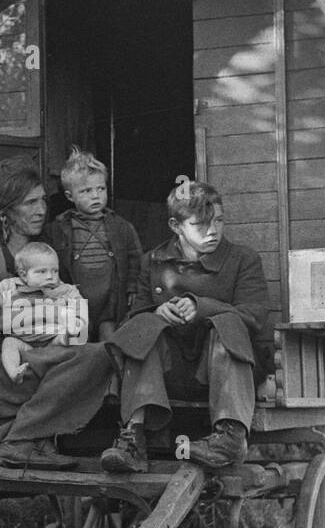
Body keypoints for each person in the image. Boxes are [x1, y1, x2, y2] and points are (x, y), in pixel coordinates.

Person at [0, 159, 114, 469]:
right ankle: (21, 443)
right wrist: (44, 317)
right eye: (30, 202)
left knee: (98, 355)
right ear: (4, 211)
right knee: (91, 358)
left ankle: (30, 439)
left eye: (42, 200)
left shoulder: (44, 257)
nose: (41, 210)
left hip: (30, 358)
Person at [101, 180, 270, 473]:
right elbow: (131, 322)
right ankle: (133, 437)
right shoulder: (152, 262)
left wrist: (202, 307)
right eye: (200, 224)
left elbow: (254, 317)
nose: (213, 231)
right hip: (168, 375)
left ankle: (229, 436)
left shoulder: (243, 259)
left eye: (218, 221)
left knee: (226, 322)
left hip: (229, 372)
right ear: (176, 226)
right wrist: (158, 311)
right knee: (144, 325)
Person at [45, 148, 143, 343]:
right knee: (78, 343)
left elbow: (135, 257)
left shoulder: (121, 226)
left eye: (101, 189)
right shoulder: (57, 229)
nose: (96, 196)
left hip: (110, 303)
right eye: (86, 191)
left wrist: (132, 286)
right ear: (70, 196)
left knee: (110, 343)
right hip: (74, 305)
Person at [0, 241, 89, 382]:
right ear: (24, 275)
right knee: (8, 343)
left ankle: (65, 339)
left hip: (51, 341)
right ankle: (14, 372)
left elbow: (77, 302)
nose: (51, 276)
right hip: (24, 344)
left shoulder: (64, 289)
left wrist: (76, 319)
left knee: (67, 338)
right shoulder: (10, 286)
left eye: (55, 271)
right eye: (42, 271)